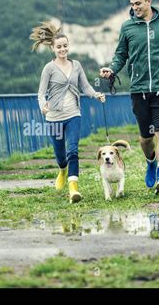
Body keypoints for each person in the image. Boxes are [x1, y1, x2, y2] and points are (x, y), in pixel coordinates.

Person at [100, 0, 159, 194]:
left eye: (138, 3)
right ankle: (151, 162)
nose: (135, 7)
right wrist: (112, 70)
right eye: (132, 4)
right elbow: (121, 54)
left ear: (149, 0)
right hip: (138, 89)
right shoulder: (128, 27)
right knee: (146, 138)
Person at [30, 21, 106, 203]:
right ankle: (62, 170)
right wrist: (43, 105)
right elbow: (41, 93)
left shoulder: (77, 65)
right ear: (53, 49)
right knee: (60, 155)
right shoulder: (48, 69)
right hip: (54, 117)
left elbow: (85, 86)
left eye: (65, 46)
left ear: (68, 47)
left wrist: (96, 94)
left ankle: (73, 189)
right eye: (59, 47)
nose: (62, 49)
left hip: (74, 114)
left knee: (73, 150)